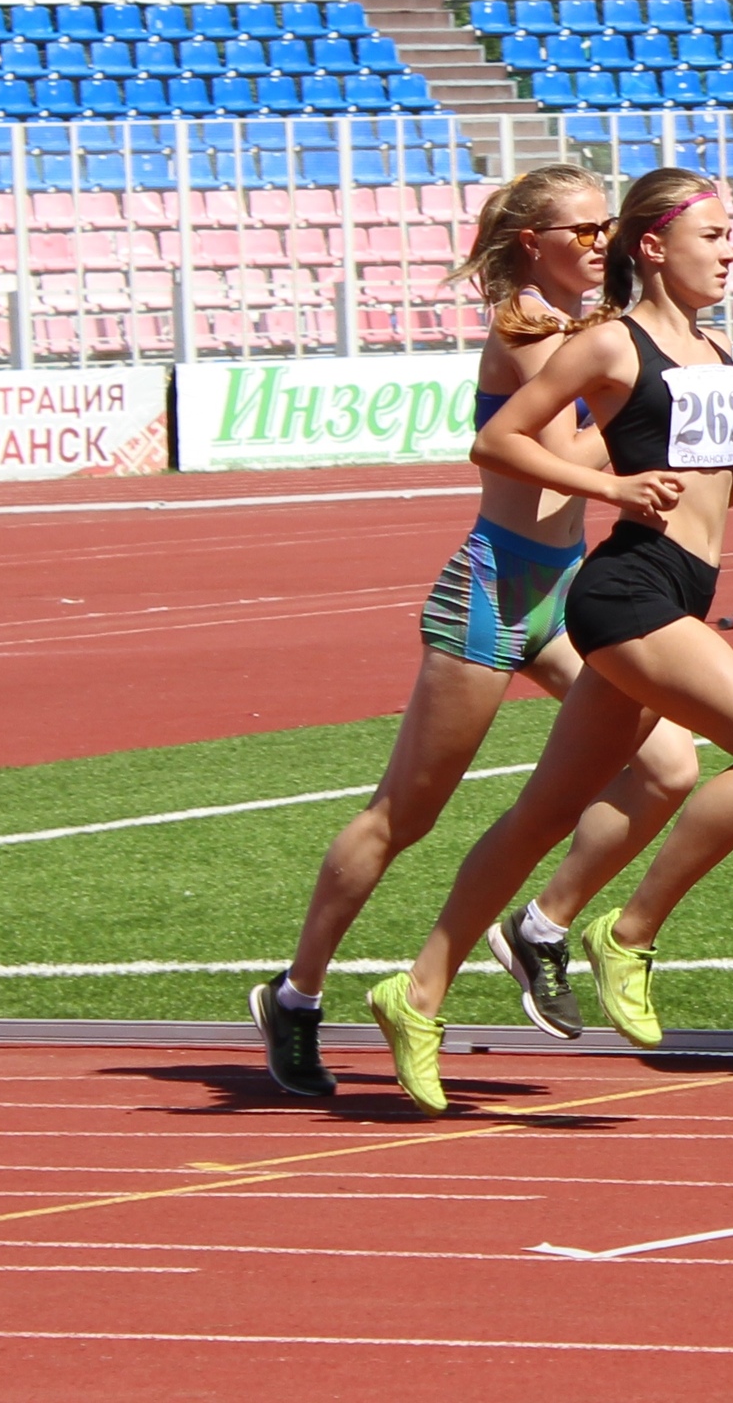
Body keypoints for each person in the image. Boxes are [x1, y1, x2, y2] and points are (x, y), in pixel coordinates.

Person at [364, 166, 733, 1115]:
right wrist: (613, 490)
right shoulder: (611, 346)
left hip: (682, 587)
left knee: (544, 812)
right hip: (628, 593)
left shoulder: (718, 349)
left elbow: (708, 493)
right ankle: (625, 932)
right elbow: (497, 444)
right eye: (717, 237)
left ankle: (415, 992)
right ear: (654, 248)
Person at [250, 165, 700, 1099]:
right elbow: (560, 445)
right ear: (531, 244)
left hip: (569, 588)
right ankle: (297, 995)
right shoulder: (527, 327)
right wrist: (638, 430)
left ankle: (540, 925)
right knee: (402, 816)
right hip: (494, 592)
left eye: (603, 227)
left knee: (669, 766)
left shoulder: (594, 331)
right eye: (578, 230)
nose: (596, 242)